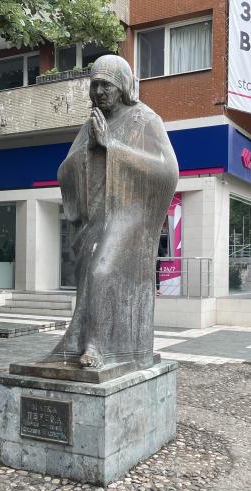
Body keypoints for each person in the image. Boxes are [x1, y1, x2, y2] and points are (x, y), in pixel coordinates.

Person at [49, 55, 178, 369]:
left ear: (122, 86)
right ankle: (82, 340)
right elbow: (64, 170)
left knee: (101, 270)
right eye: (94, 85)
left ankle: (98, 346)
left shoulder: (145, 119)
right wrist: (90, 148)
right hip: (95, 215)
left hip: (129, 216)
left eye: (105, 85)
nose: (99, 92)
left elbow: (168, 171)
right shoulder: (90, 124)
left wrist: (112, 146)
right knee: (89, 278)